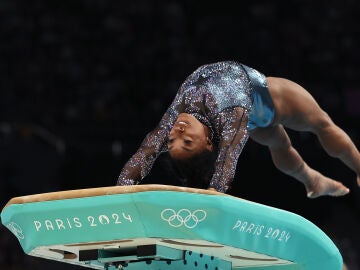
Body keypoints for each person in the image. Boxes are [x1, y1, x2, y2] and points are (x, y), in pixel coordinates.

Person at [117, 61, 360, 198]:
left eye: (171, 143)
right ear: (208, 143)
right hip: (271, 101)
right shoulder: (231, 118)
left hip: (256, 104)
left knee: (313, 129)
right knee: (311, 128)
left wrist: (120, 191)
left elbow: (144, 154)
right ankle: (312, 180)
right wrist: (214, 195)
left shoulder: (173, 121)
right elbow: (226, 165)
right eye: (187, 143)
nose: (177, 134)